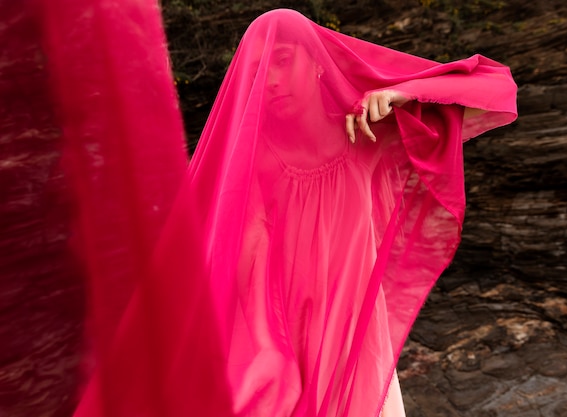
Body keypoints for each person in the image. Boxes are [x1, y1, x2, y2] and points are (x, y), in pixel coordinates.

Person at [63, 7, 517, 417]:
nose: (271, 79)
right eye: (261, 66)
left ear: (316, 61)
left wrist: (405, 93)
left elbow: (497, 88)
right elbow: (237, 264)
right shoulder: (255, 159)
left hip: (353, 345)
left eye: (282, 60)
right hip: (275, 346)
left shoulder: (366, 131)